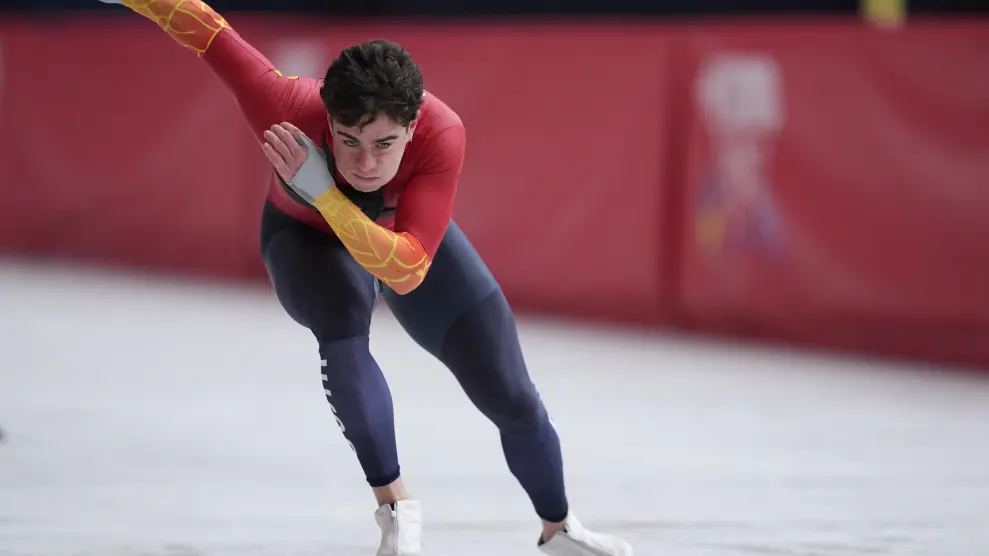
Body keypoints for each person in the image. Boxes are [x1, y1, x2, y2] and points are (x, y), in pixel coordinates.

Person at [94, 1, 633, 555]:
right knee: (344, 313)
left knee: (511, 393)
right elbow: (200, 25)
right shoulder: (284, 106)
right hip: (304, 239)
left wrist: (326, 192)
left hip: (396, 238)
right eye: (348, 140)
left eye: (384, 144)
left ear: (411, 127)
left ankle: (559, 529)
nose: (366, 164)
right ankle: (395, 505)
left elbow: (405, 270)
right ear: (328, 118)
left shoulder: (441, 133)